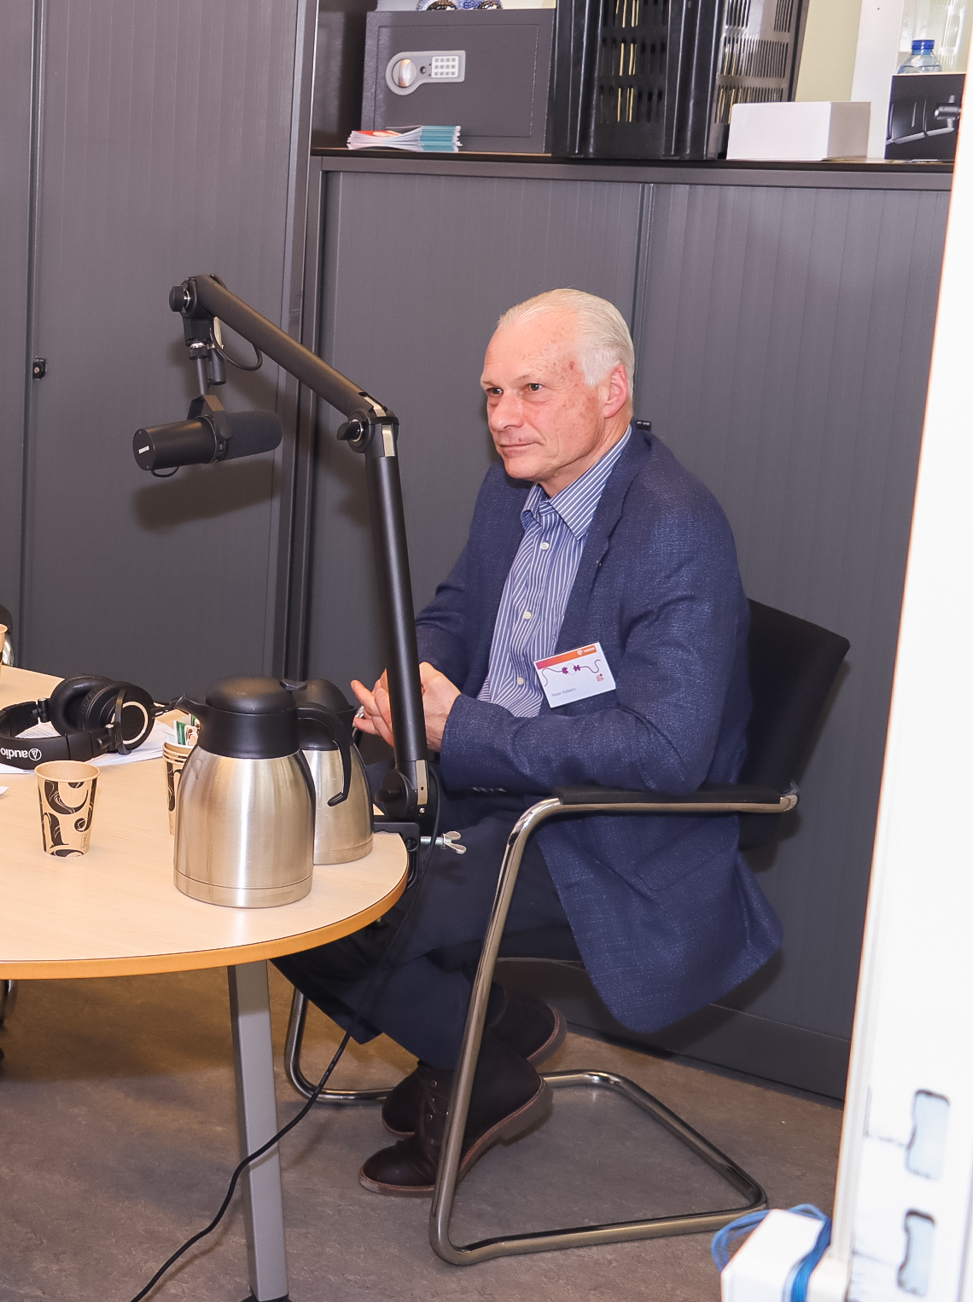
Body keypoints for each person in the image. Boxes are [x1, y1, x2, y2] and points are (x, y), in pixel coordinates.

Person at [277, 290, 780, 1194]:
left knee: (338, 914)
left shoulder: (674, 526)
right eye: (492, 392)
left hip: (597, 829)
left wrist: (465, 728)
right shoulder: (514, 488)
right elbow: (458, 610)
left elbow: (665, 751)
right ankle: (488, 1027)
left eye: (532, 389)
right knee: (286, 870)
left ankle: (479, 1066)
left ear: (612, 390)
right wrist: (414, 678)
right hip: (487, 782)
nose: (504, 418)